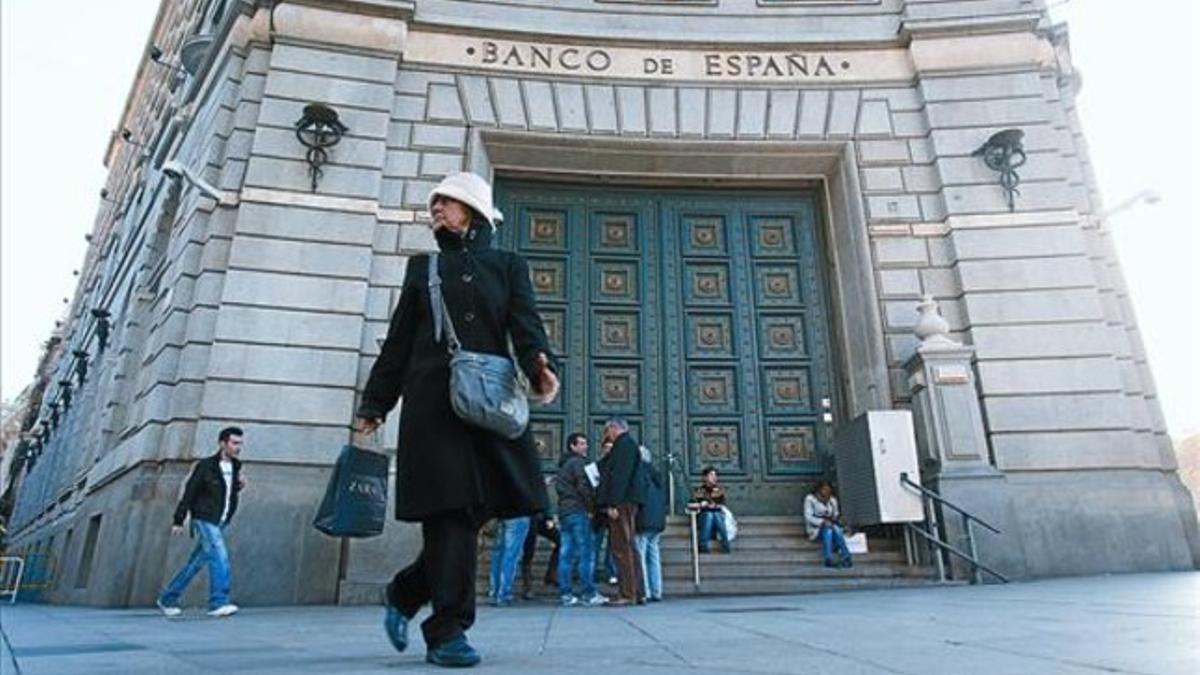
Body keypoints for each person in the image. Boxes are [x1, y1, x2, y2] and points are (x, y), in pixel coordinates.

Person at [355, 172, 560, 668]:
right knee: (450, 514)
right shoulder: (422, 269)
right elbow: (400, 343)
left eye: (445, 201)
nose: (437, 210)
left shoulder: (509, 266)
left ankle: (405, 593)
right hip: (433, 409)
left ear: (471, 208)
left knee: (484, 508)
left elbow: (525, 325)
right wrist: (374, 405)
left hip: (490, 406)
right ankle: (447, 630)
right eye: (435, 204)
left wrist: (539, 366)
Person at [157, 426, 246, 618]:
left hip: (221, 520)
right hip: (204, 518)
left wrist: (238, 487)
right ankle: (218, 602)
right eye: (234, 443)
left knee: (195, 563)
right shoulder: (205, 466)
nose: (238, 447)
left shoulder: (237, 466)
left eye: (240, 443)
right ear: (223, 444)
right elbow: (190, 492)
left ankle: (167, 598)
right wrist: (178, 519)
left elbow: (226, 494)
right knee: (219, 556)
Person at [594, 418, 645, 606]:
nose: (606, 435)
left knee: (622, 548)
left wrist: (613, 503)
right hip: (627, 501)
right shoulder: (628, 445)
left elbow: (619, 476)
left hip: (622, 503)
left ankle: (627, 593)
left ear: (615, 428)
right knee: (629, 546)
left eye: (607, 430)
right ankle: (638, 592)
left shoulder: (623, 446)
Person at [554, 432, 607, 606]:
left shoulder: (563, 465)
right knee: (586, 553)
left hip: (565, 512)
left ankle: (566, 594)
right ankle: (588, 593)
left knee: (566, 554)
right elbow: (584, 486)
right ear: (573, 446)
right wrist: (592, 508)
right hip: (579, 511)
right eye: (582, 444)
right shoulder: (578, 463)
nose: (586, 447)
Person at [634, 445, 666, 602]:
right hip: (657, 520)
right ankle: (657, 591)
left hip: (643, 519)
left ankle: (644, 591)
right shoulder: (655, 473)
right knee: (654, 555)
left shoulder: (638, 473)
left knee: (640, 555)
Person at [805, 481, 853, 568]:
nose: (826, 492)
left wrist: (836, 519)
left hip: (832, 526)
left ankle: (846, 556)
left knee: (835, 529)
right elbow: (808, 517)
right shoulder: (810, 499)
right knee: (828, 530)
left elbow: (836, 514)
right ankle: (828, 558)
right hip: (816, 529)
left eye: (828, 490)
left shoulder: (832, 500)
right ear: (818, 489)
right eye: (824, 489)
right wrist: (822, 522)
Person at [487, 516, 530, 606]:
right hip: (519, 514)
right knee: (511, 555)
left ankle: (494, 593)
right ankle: (503, 594)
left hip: (502, 515)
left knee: (498, 555)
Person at [518, 512, 559, 600]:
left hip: (542, 518)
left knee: (560, 540)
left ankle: (551, 574)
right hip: (528, 517)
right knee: (528, 551)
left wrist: (549, 518)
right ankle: (527, 587)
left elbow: (544, 500)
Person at [692, 466, 731, 553]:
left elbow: (722, 505)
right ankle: (705, 545)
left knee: (715, 515)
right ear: (705, 477)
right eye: (711, 475)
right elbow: (693, 504)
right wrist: (701, 504)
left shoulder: (719, 490)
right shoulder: (698, 490)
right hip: (704, 518)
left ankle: (724, 544)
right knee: (709, 515)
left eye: (715, 475)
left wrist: (714, 506)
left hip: (718, 518)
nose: (714, 477)